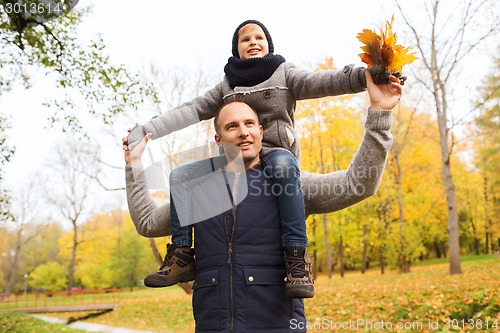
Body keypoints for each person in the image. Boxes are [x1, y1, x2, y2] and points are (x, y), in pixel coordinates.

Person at [123, 70, 402, 332]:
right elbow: (147, 223)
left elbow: (358, 184)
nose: (243, 132)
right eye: (232, 126)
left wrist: (380, 113)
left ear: (260, 131)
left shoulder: (291, 185)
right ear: (219, 139)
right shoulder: (197, 193)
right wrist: (133, 166)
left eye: (249, 124)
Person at [126, 19, 385, 297]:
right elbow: (192, 109)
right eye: (245, 39)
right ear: (218, 137)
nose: (253, 42)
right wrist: (140, 147)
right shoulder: (227, 88)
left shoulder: (284, 76)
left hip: (279, 157)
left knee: (285, 166)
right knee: (180, 176)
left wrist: (367, 80)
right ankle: (181, 255)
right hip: (215, 322)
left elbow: (323, 82)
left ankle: (296, 257)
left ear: (260, 129)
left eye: (259, 37)